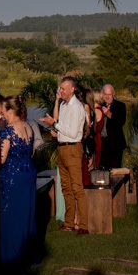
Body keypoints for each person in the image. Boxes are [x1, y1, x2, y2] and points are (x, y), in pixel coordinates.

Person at [39, 76, 88, 234]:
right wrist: (56, 131)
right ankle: (68, 223)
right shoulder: (64, 105)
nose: (60, 91)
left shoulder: (76, 107)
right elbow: (65, 127)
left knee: (77, 188)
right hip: (63, 147)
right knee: (65, 187)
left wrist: (54, 124)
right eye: (60, 88)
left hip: (73, 149)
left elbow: (73, 132)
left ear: (72, 89)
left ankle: (84, 225)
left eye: (63, 88)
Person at [0, 96, 37, 268]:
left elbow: (1, 158)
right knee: (27, 212)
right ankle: (28, 251)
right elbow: (32, 151)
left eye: (3, 110)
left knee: (12, 213)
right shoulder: (29, 127)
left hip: (12, 175)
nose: (2, 113)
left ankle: (13, 255)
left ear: (9, 110)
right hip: (28, 171)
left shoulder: (7, 132)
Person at [98, 84, 127, 169]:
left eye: (109, 95)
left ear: (113, 93)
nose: (107, 97)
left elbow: (121, 122)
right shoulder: (99, 106)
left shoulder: (120, 106)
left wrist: (108, 114)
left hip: (115, 145)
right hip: (102, 145)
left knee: (115, 171)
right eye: (105, 94)